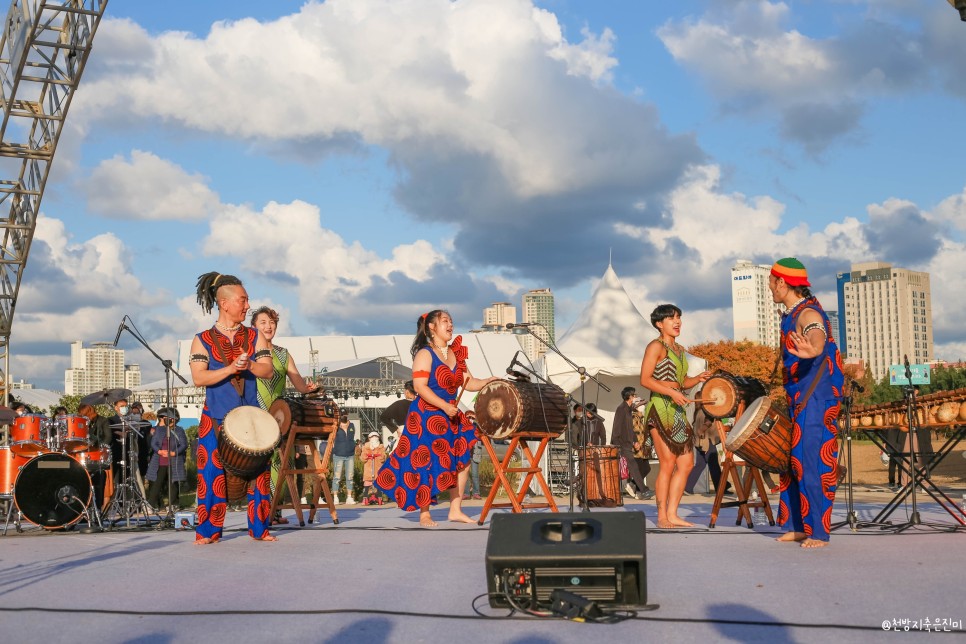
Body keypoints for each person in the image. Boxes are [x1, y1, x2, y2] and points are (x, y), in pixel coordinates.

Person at [375, 310, 498, 527]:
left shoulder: (456, 353)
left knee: (463, 460)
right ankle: (424, 513)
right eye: (445, 321)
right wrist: (443, 406)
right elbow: (419, 387)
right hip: (426, 416)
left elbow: (468, 382)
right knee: (425, 463)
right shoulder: (425, 353)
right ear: (432, 327)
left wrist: (489, 380)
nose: (450, 324)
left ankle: (455, 510)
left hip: (450, 416)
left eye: (451, 321)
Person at [189, 271, 276, 544]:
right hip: (214, 417)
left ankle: (260, 528)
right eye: (243, 300)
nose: (247, 305)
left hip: (251, 417)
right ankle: (208, 532)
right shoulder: (202, 339)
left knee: (258, 475)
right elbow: (199, 377)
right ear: (225, 304)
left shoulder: (253, 336)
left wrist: (249, 365)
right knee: (211, 475)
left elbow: (268, 370)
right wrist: (229, 368)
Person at [768, 258, 844, 549]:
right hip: (801, 397)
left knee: (812, 461)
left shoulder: (807, 311)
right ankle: (798, 525)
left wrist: (814, 346)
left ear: (782, 283)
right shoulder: (791, 313)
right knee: (794, 461)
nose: (770, 290)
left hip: (817, 399)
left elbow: (816, 331)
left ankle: (819, 533)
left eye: (771, 284)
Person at [640, 304, 711, 528]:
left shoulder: (680, 350)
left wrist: (697, 378)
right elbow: (645, 379)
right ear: (659, 324)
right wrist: (671, 392)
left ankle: (673, 514)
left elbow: (681, 383)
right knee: (668, 463)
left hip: (678, 409)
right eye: (671, 318)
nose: (677, 321)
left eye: (679, 317)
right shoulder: (655, 346)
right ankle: (661, 516)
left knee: (687, 463)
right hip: (660, 407)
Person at [250, 306, 320, 521]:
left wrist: (309, 388)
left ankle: (275, 510)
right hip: (256, 412)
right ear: (253, 327)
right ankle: (261, 511)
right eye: (263, 322)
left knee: (282, 462)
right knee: (260, 463)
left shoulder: (282, 353)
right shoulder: (248, 351)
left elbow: (298, 382)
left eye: (272, 322)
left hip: (280, 416)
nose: (268, 326)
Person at [612, 387, 654, 501]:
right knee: (634, 467)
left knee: (635, 467)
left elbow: (630, 428)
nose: (635, 397)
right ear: (630, 396)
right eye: (634, 395)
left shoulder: (628, 409)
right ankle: (643, 490)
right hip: (622, 443)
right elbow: (617, 428)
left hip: (629, 442)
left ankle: (641, 490)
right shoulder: (621, 409)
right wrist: (617, 444)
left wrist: (635, 441)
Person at [145, 407, 188, 511]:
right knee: (156, 483)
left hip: (174, 461)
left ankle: (172, 504)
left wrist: (174, 453)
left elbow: (183, 444)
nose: (169, 420)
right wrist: (159, 451)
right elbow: (153, 443)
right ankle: (151, 505)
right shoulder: (159, 430)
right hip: (160, 461)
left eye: (171, 418)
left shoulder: (179, 430)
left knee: (173, 484)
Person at [78, 403, 112, 511]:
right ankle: (84, 508)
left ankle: (97, 507)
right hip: (83, 455)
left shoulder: (102, 421)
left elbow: (108, 437)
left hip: (98, 454)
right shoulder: (81, 422)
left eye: (84, 414)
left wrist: (100, 446)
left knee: (99, 481)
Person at [380, 380, 416, 452]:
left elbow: (383, 416)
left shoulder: (399, 404)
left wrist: (395, 428)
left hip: (403, 432)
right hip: (418, 432)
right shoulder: (419, 404)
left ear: (407, 392)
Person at [331, 415, 357, 504]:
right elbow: (331, 438)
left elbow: (352, 438)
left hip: (350, 454)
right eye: (342, 414)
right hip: (338, 454)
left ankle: (349, 497)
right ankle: (335, 497)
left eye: (345, 414)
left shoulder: (352, 425)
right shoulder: (336, 426)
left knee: (350, 476)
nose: (343, 416)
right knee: (337, 476)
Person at [360, 431, 387, 504]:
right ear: (369, 438)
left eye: (376, 437)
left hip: (377, 468)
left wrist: (380, 456)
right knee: (367, 483)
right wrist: (366, 456)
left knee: (378, 483)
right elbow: (362, 458)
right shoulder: (365, 447)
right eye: (372, 437)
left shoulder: (381, 447)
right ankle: (365, 497)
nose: (374, 438)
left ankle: (379, 497)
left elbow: (383, 457)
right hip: (369, 468)